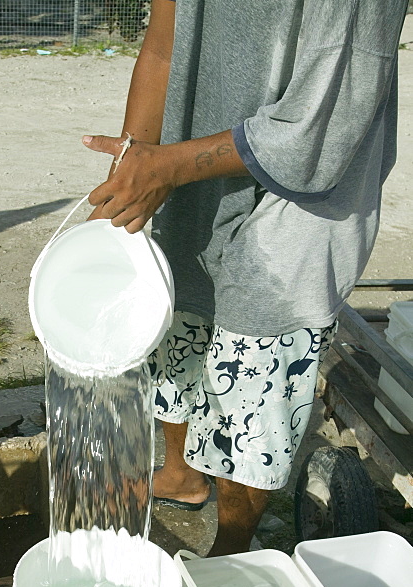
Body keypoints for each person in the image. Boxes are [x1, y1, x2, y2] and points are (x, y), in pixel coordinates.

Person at [82, 0, 407, 555]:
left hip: (302, 200)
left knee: (255, 370)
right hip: (189, 160)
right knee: (181, 316)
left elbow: (322, 124)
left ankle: (231, 550)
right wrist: (136, 163)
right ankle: (182, 474)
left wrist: (167, 166)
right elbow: (164, 46)